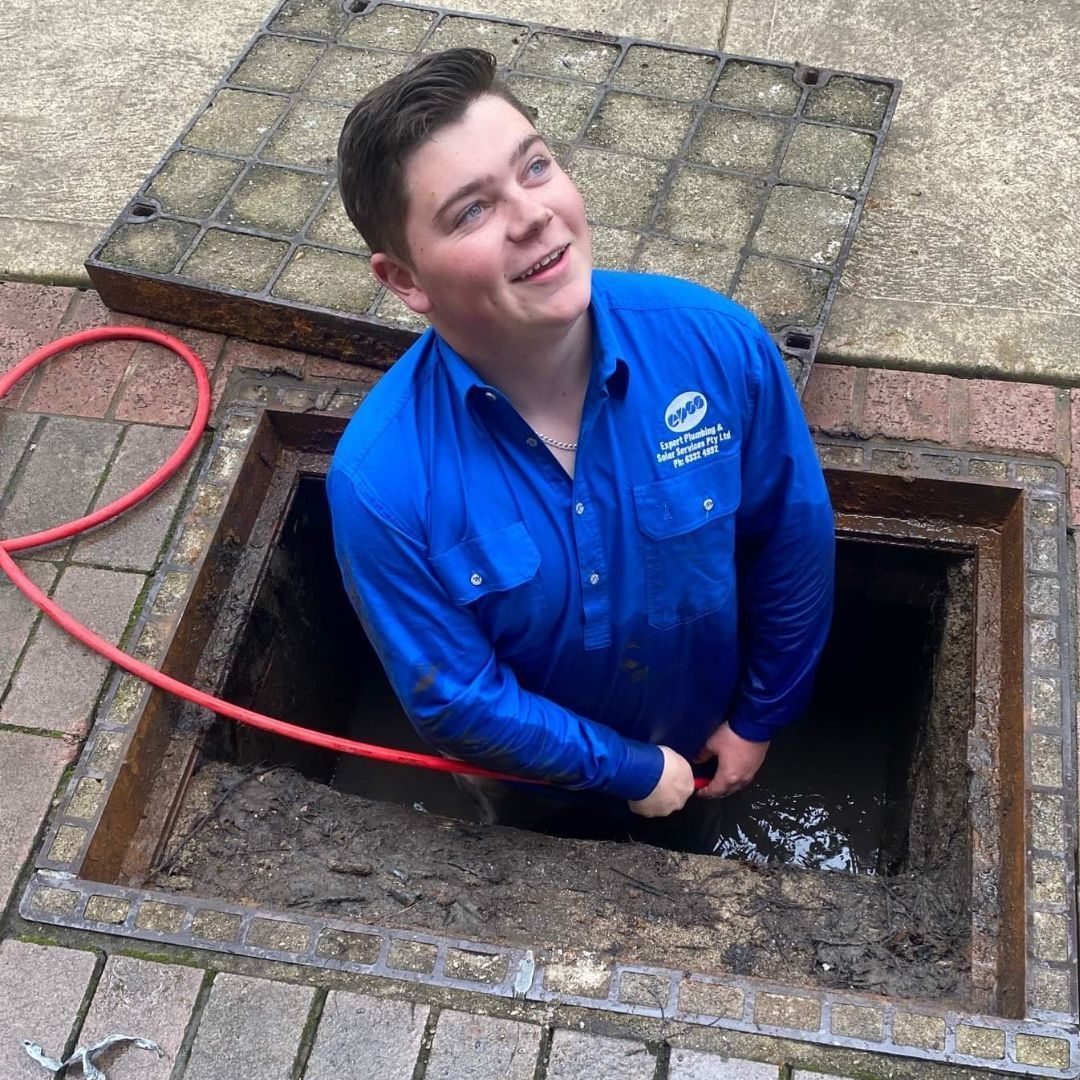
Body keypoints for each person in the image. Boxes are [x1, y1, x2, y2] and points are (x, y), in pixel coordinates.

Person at [327, 47, 835, 840]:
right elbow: (454, 695)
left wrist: (761, 715)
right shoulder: (381, 482)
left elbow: (793, 540)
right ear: (404, 280)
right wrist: (625, 767)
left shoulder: (720, 348)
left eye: (535, 167)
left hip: (704, 747)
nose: (533, 214)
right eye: (471, 210)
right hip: (534, 787)